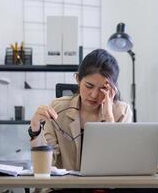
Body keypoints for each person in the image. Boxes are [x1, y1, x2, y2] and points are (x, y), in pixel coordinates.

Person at [29, 49, 132, 193]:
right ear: (78, 79)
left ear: (112, 89)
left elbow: (119, 164)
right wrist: (35, 128)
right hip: (63, 189)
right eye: (89, 86)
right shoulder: (58, 108)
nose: (94, 95)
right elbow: (46, 164)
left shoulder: (121, 111)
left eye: (102, 89)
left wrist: (109, 117)